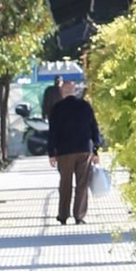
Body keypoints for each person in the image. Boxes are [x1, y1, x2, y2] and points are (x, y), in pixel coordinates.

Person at [46, 77, 103, 225]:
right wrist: (95, 149)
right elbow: (94, 128)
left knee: (65, 184)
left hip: (64, 151)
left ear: (62, 92)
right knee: (82, 184)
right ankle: (79, 216)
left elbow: (52, 132)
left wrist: (51, 153)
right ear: (75, 91)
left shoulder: (57, 109)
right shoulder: (85, 106)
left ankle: (63, 215)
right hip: (84, 150)